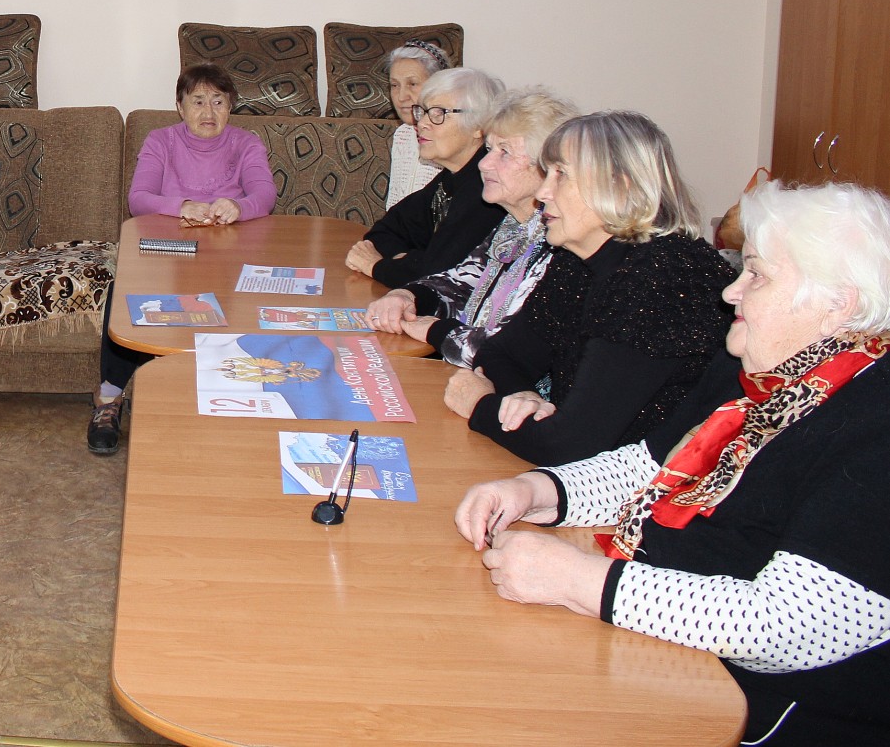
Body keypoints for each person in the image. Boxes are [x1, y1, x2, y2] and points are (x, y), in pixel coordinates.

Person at [454, 181, 890, 745]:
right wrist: (539, 491)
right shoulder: (762, 369)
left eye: (756, 275)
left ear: (837, 304)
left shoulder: (874, 423)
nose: (731, 292)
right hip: (665, 646)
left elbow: (787, 628)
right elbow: (652, 465)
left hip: (760, 711)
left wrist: (580, 581)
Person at [443, 110, 732, 465]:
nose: (543, 192)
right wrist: (523, 398)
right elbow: (501, 354)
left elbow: (570, 445)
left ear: (621, 187)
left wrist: (480, 405)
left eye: (561, 175)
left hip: (648, 488)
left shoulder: (664, 276)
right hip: (584, 476)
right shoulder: (579, 260)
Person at [89, 63, 273, 455]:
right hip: (167, 254)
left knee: (243, 301)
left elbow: (265, 194)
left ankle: (227, 397)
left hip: (229, 257)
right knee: (126, 294)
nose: (209, 112)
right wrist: (183, 206)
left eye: (218, 102)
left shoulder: (246, 144)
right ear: (180, 106)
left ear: (230, 107)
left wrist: (239, 207)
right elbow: (139, 199)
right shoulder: (161, 141)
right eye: (198, 101)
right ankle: (109, 396)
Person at [365, 89, 577, 367]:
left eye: (504, 152)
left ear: (547, 168)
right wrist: (406, 296)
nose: (484, 164)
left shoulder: (560, 248)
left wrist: (435, 330)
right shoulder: (514, 225)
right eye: (489, 149)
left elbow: (509, 353)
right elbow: (459, 283)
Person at [345, 67, 505, 289]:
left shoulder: (487, 188)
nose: (421, 124)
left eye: (438, 113)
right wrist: (410, 262)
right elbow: (384, 230)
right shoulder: (452, 177)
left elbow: (438, 278)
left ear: (479, 126)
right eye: (423, 112)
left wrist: (376, 266)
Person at [384, 40, 448, 209]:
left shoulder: (453, 137)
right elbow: (394, 204)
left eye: (412, 84)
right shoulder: (402, 134)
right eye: (394, 85)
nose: (401, 96)